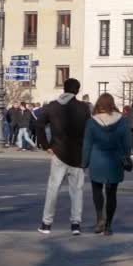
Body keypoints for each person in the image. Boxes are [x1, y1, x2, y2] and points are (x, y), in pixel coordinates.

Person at [36, 78, 91, 235]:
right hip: (78, 154)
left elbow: (39, 124)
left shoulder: (52, 106)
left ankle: (46, 224)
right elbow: (89, 130)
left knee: (53, 189)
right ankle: (76, 224)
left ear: (64, 89)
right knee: (77, 190)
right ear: (77, 90)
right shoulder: (84, 108)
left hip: (59, 152)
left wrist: (46, 145)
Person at [82, 93, 131, 236]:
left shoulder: (91, 122)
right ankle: (108, 225)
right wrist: (126, 157)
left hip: (97, 159)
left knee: (97, 192)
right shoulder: (122, 121)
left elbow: (87, 145)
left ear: (99, 104)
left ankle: (99, 220)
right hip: (115, 159)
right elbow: (127, 143)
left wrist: (84, 162)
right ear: (112, 104)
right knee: (112, 194)